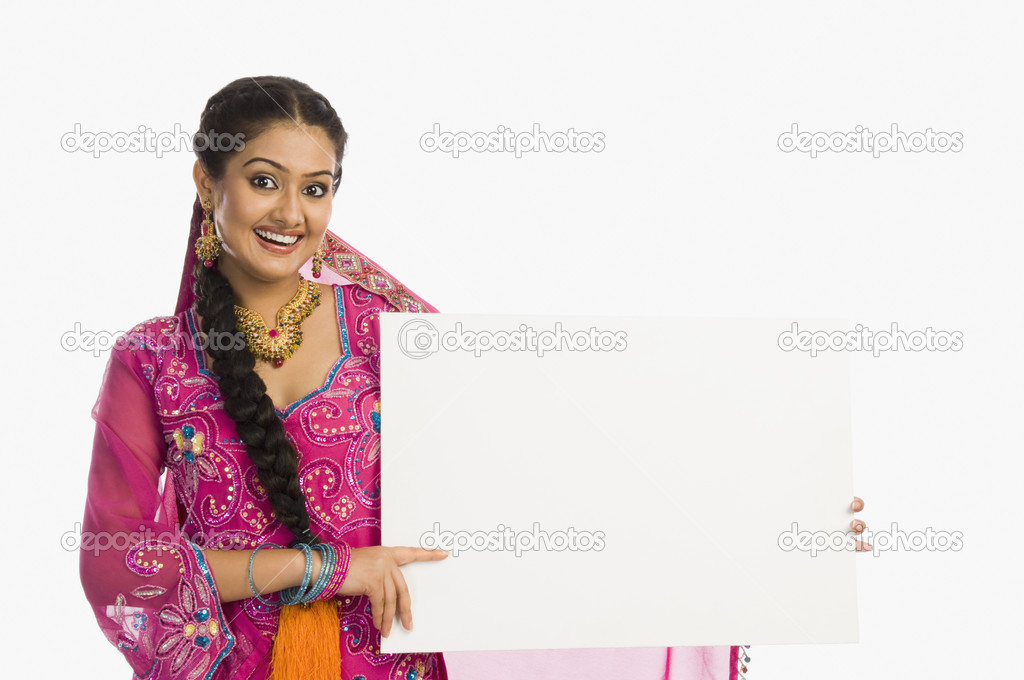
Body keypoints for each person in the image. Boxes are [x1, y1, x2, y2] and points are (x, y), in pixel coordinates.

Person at [79, 75, 871, 680]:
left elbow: (564, 463)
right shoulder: (151, 360)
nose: (292, 211)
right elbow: (115, 559)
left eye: (316, 187)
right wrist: (330, 569)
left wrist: (771, 526)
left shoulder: (393, 335)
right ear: (204, 181)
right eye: (263, 179)